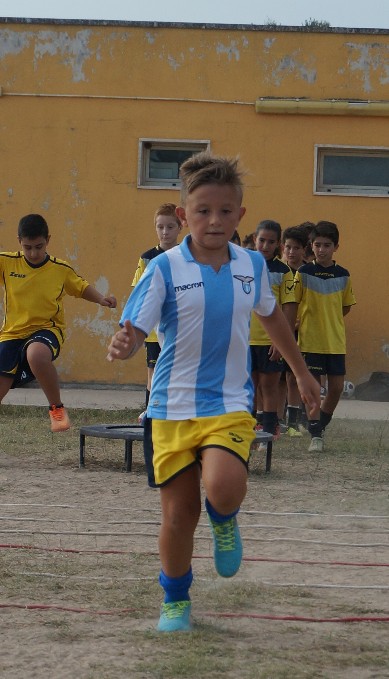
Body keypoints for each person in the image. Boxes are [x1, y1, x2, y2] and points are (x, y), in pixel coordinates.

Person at [107, 152, 320, 633]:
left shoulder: (251, 265)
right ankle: (176, 601)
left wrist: (302, 374)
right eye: (203, 210)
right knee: (179, 515)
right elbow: (136, 327)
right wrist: (125, 342)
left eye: (226, 211)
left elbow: (271, 317)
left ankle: (224, 519)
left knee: (223, 486)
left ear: (240, 215)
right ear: (184, 215)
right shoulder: (163, 268)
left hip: (227, 404)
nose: (214, 220)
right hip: (170, 408)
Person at [0, 214, 117, 432]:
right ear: (19, 242)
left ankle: (57, 409)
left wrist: (102, 299)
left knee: (36, 354)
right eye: (27, 247)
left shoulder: (60, 269)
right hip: (11, 334)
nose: (34, 253)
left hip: (47, 329)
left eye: (39, 246)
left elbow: (81, 288)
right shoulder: (6, 262)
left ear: (48, 240)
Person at [294, 221, 356, 452]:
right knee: (312, 389)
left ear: (336, 247)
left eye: (326, 245)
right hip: (310, 340)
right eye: (317, 245)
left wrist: (331, 320)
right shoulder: (304, 273)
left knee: (337, 387)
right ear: (312, 246)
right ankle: (316, 434)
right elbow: (294, 303)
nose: (321, 250)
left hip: (335, 341)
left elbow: (346, 307)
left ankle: (319, 423)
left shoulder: (343, 275)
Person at [131, 203, 182, 419]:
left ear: (180, 227)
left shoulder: (186, 256)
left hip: (178, 327)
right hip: (153, 327)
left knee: (176, 369)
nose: (165, 232)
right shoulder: (147, 258)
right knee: (154, 368)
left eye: (170, 227)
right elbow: (138, 291)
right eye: (160, 227)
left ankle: (175, 409)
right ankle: (151, 408)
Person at [249, 220, 297, 438]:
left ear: (278, 245)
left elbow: (289, 308)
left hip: (270, 343)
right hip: (245, 341)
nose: (265, 246)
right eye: (262, 240)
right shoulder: (244, 265)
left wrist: (280, 342)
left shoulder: (284, 272)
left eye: (271, 242)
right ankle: (244, 434)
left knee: (269, 387)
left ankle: (268, 433)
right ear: (254, 240)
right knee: (247, 390)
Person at [281, 225, 309, 436]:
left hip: (303, 332)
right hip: (278, 331)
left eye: (296, 248)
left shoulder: (308, 272)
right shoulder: (279, 271)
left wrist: (299, 321)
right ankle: (277, 418)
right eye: (288, 247)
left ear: (303, 250)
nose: (291, 252)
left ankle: (297, 419)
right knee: (278, 378)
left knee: (294, 376)